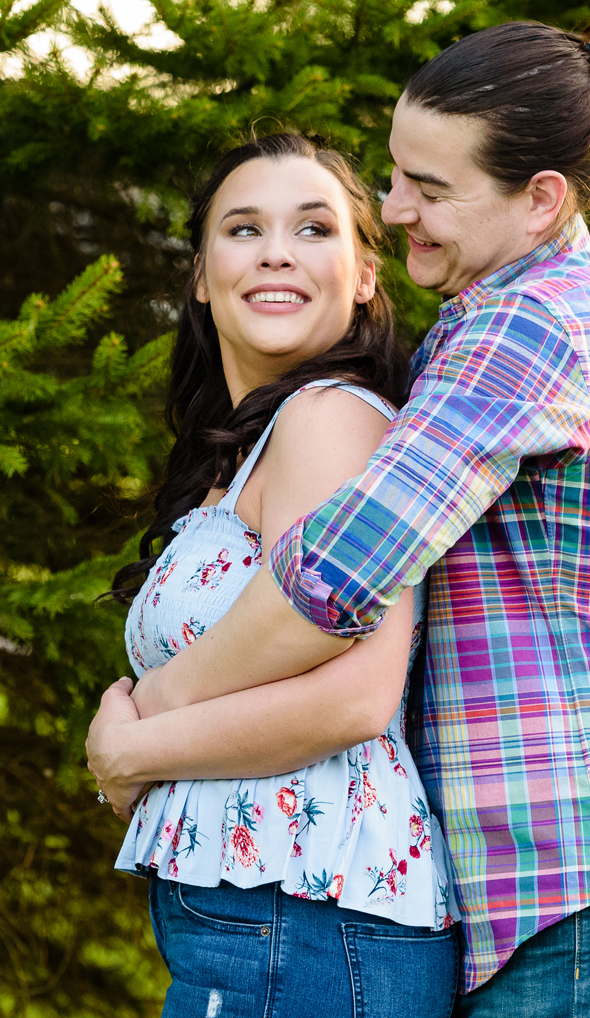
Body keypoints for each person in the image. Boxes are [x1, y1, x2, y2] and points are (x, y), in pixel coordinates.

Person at [101, 16, 590, 1018]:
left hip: (580, 872)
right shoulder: (519, 314)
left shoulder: (528, 329)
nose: (393, 212)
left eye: (429, 191)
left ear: (539, 200)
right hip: (560, 884)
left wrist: (152, 717)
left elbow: (335, 578)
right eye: (396, 175)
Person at [85, 131, 459, 1018]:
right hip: (274, 928)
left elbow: (355, 698)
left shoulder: (329, 421)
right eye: (244, 228)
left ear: (367, 274)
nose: (278, 252)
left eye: (315, 229)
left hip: (302, 924)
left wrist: (134, 744)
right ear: (202, 275)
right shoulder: (258, 443)